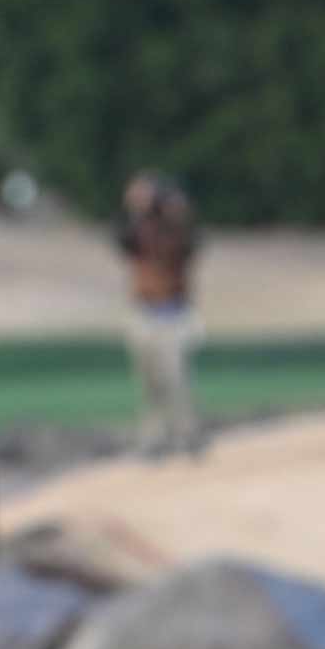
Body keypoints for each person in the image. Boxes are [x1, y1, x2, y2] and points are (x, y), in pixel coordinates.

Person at [115, 170, 203, 456]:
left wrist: (176, 214)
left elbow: (189, 246)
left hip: (173, 312)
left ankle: (186, 433)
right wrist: (135, 211)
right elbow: (123, 240)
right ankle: (154, 437)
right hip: (144, 311)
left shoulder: (176, 231)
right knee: (149, 381)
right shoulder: (140, 230)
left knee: (175, 377)